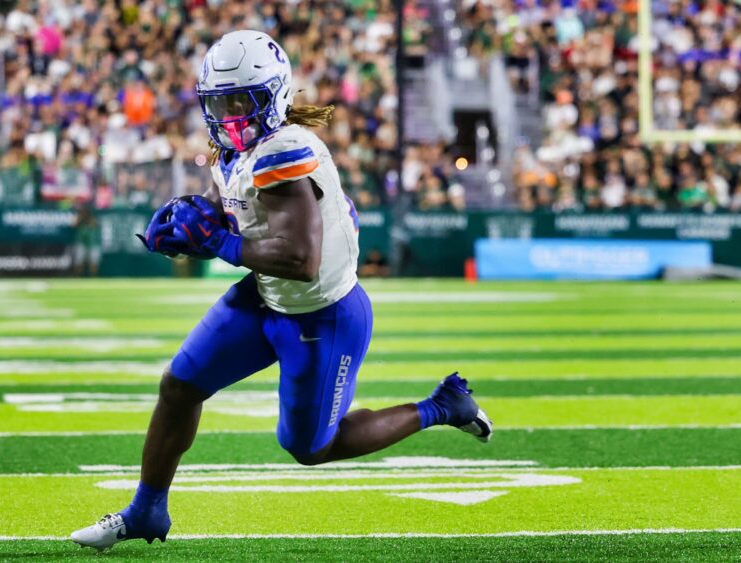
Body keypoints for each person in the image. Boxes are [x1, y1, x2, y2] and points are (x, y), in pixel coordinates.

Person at [70, 31, 494, 551]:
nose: (227, 115)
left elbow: (299, 258)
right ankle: (146, 511)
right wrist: (190, 222)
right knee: (180, 384)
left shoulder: (285, 150)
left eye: (238, 101)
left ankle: (441, 407)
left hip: (322, 315)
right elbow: (231, 203)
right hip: (266, 295)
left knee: (310, 447)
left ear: (274, 96)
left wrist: (219, 243)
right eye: (218, 102)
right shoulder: (239, 148)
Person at [72, 205, 101, 277]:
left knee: (93, 262)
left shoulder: (93, 218)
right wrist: (80, 218)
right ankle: (78, 277)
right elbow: (73, 225)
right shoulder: (79, 218)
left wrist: (89, 220)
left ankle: (93, 278)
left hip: (93, 243)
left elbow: (96, 225)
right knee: (79, 262)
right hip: (81, 243)